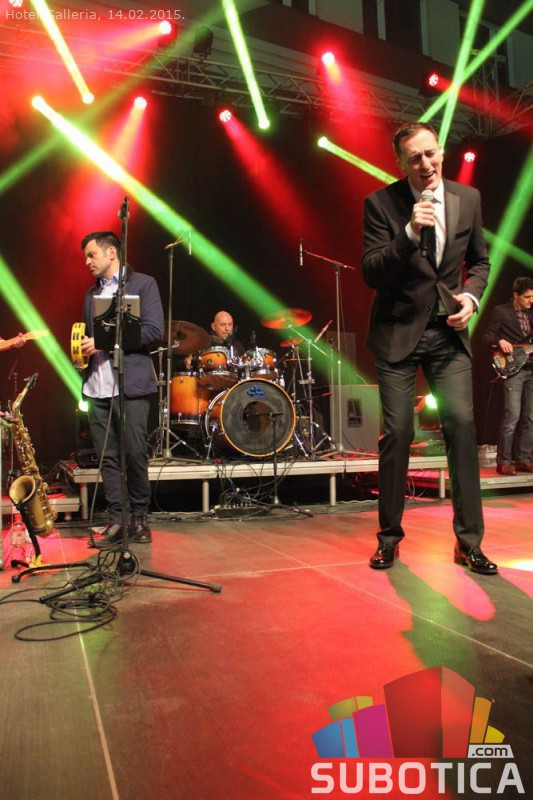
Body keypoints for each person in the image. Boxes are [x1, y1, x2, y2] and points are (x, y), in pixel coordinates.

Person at [362, 121, 497, 575]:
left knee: (461, 424)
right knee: (399, 433)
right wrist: (406, 234)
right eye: (415, 157)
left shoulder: (467, 198)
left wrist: (472, 298)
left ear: (442, 152)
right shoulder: (380, 204)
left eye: (431, 153)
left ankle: (469, 543)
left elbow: (480, 261)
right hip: (398, 332)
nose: (426, 163)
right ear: (401, 164)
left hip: (447, 332)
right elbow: (372, 271)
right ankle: (389, 539)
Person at [80, 231, 164, 548]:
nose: (87, 262)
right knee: (108, 458)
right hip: (98, 385)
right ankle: (117, 520)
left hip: (131, 384)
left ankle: (140, 518)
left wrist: (102, 341)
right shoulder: (90, 295)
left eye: (91, 255)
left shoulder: (143, 284)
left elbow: (153, 331)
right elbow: (88, 338)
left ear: (111, 252)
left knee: (134, 453)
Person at [483, 276, 533, 475]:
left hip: (531, 369)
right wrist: (500, 341)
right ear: (516, 295)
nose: (531, 301)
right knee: (512, 415)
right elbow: (486, 337)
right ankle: (503, 461)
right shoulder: (501, 311)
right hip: (513, 370)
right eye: (527, 297)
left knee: (530, 417)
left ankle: (523, 459)